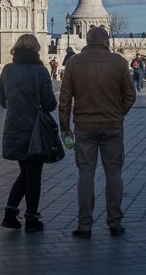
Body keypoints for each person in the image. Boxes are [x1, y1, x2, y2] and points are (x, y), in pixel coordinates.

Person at [58, 26, 136, 239]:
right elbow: (130, 95)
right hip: (112, 126)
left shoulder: (73, 63)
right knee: (113, 174)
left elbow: (65, 99)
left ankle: (85, 226)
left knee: (86, 175)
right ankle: (115, 223)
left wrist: (65, 128)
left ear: (88, 40)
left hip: (84, 127)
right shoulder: (118, 62)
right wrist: (119, 114)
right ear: (104, 41)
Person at [0, 33, 57, 233]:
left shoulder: (7, 70)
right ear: (36, 50)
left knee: (24, 173)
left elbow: (4, 101)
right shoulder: (40, 71)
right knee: (33, 176)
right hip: (34, 130)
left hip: (14, 127)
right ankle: (31, 218)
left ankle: (10, 214)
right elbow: (50, 103)